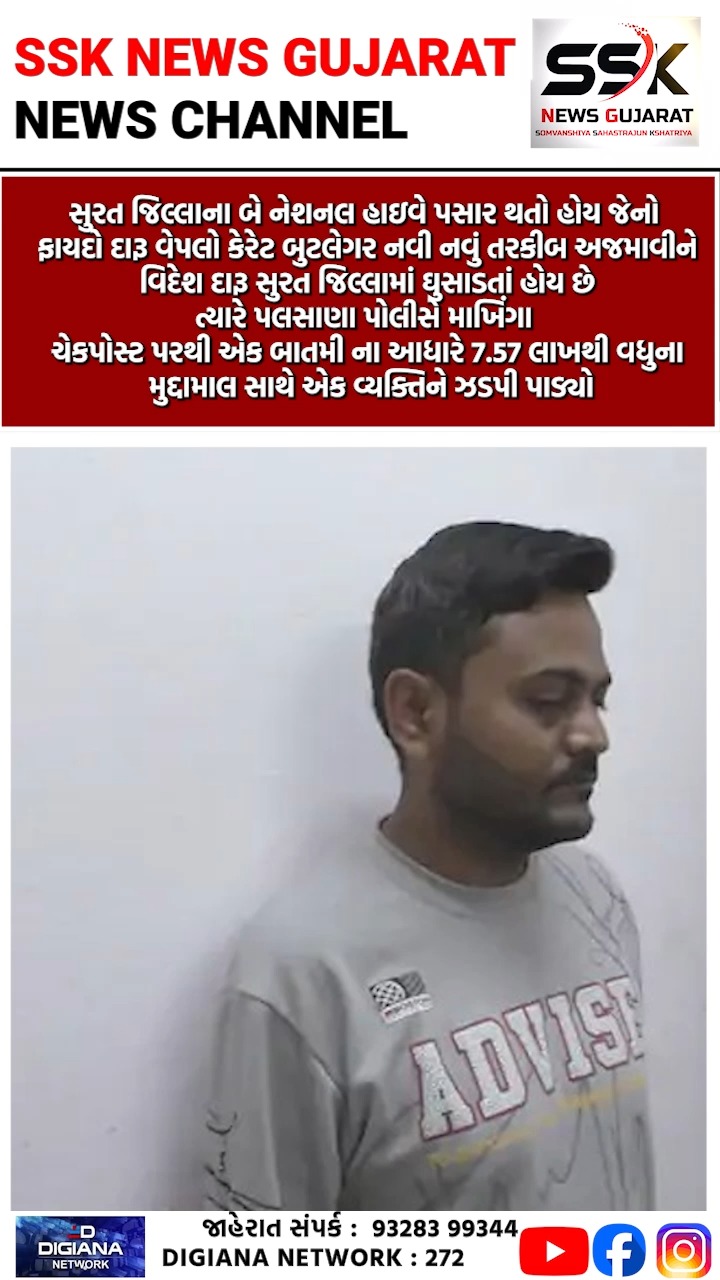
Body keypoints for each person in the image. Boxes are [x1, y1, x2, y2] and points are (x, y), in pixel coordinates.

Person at [203, 521, 655, 1211]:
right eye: (548, 701)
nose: (594, 734)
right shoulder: (306, 972)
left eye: (598, 699)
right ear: (415, 713)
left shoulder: (596, 900)